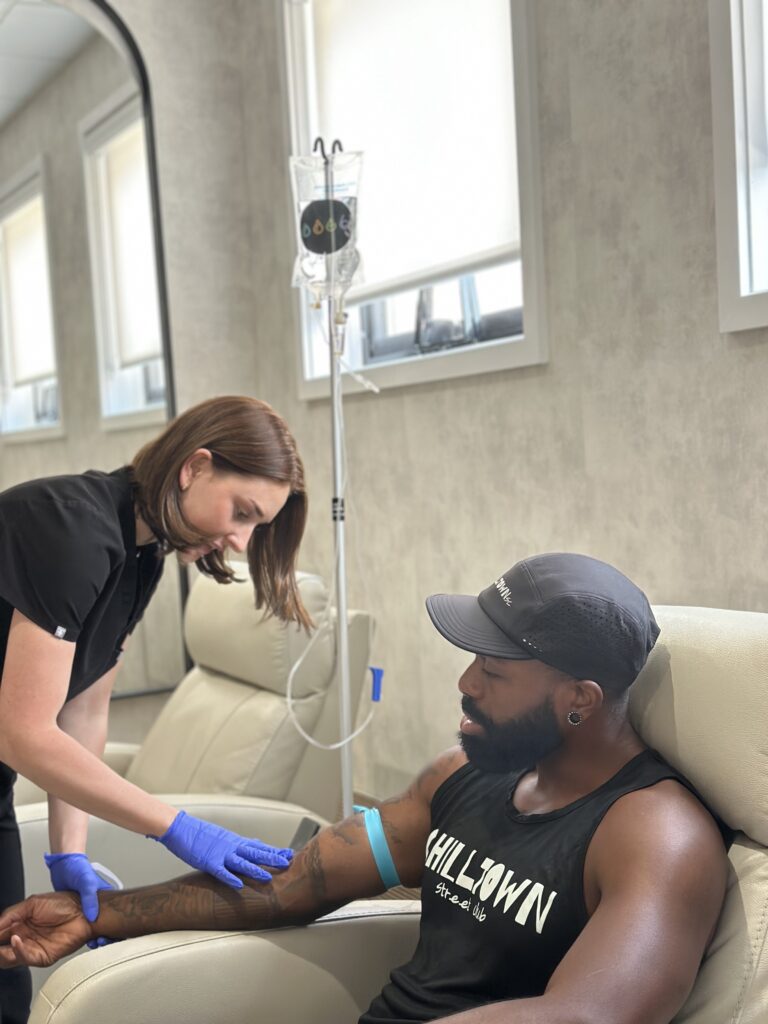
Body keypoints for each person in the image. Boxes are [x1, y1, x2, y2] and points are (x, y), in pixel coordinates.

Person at [0, 553, 729, 1024]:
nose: (465, 684)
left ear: (581, 699)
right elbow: (300, 881)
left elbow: (587, 1017)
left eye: (495, 675)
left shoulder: (655, 836)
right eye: (475, 659)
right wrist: (100, 916)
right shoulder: (463, 776)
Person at [0, 395, 310, 1024]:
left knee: (6, 984)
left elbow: (82, 712)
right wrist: (175, 826)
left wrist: (70, 852)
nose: (241, 540)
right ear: (194, 467)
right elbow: (22, 732)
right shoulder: (71, 529)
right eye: (242, 513)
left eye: (257, 528)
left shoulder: (139, 554)